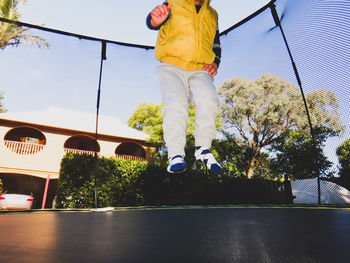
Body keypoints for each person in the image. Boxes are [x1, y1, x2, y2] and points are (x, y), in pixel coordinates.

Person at [146, 0, 222, 175]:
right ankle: (175, 154)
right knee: (176, 105)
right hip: (172, 65)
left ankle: (203, 148)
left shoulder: (212, 14)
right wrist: (154, 20)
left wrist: (215, 63)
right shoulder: (173, 3)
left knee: (209, 99)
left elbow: (215, 43)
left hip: (200, 68)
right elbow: (153, 21)